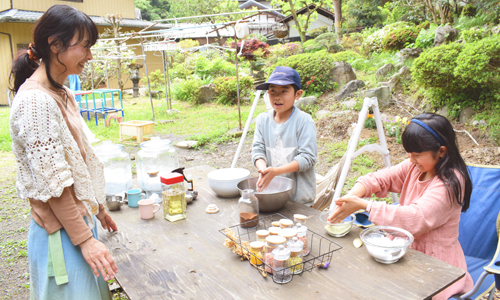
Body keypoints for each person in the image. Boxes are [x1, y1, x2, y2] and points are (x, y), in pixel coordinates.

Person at [9, 5, 117, 299]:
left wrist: (98, 208)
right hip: (61, 234)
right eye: (84, 46)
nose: (90, 56)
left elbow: (77, 158)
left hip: (77, 223)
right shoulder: (36, 102)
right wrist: (85, 241)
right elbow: (53, 184)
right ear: (54, 45)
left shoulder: (63, 92)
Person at [328, 112, 473, 299]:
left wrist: (365, 205)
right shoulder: (415, 166)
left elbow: (416, 218)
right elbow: (381, 178)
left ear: (442, 151)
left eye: (417, 155)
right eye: (409, 154)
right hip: (405, 251)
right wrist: (352, 196)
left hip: (436, 266)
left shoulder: (450, 183)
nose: (411, 159)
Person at [252, 66, 317, 205]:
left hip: (299, 199)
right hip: (272, 194)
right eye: (273, 91)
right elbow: (258, 150)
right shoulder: (262, 120)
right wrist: (263, 170)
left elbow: (308, 158)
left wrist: (276, 171)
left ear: (298, 94)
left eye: (284, 91)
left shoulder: (304, 121)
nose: (277, 97)